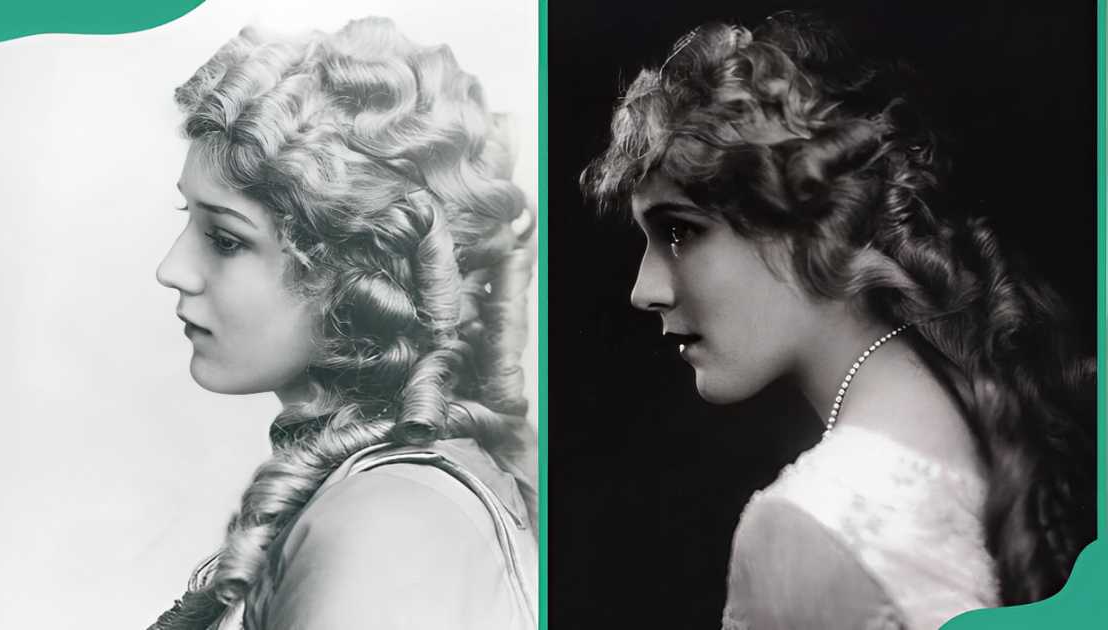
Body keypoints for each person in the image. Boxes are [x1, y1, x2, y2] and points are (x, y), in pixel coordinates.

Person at [581, 12, 1094, 630]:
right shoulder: (972, 401)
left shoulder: (805, 526)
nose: (644, 289)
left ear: (815, 225)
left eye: (679, 231)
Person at [148, 17, 537, 630]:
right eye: (186, 217)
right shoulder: (380, 496)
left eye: (224, 239)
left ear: (361, 274)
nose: (172, 269)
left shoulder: (391, 521)